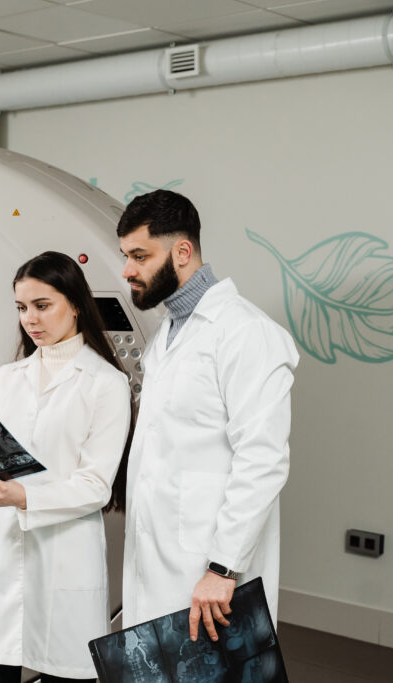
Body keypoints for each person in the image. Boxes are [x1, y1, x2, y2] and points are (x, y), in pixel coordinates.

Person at [0, 251, 133, 683]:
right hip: (2, 549)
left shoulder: (107, 384)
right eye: (21, 307)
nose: (30, 319)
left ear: (75, 304)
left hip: (65, 553)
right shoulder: (8, 377)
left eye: (42, 305)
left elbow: (95, 486)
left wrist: (26, 497)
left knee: (65, 671)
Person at [116, 190, 299, 643]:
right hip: (158, 553)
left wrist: (223, 567)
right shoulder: (168, 332)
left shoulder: (246, 332)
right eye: (126, 256)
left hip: (209, 565)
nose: (127, 271)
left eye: (140, 256)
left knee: (213, 667)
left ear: (182, 252)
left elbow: (263, 458)